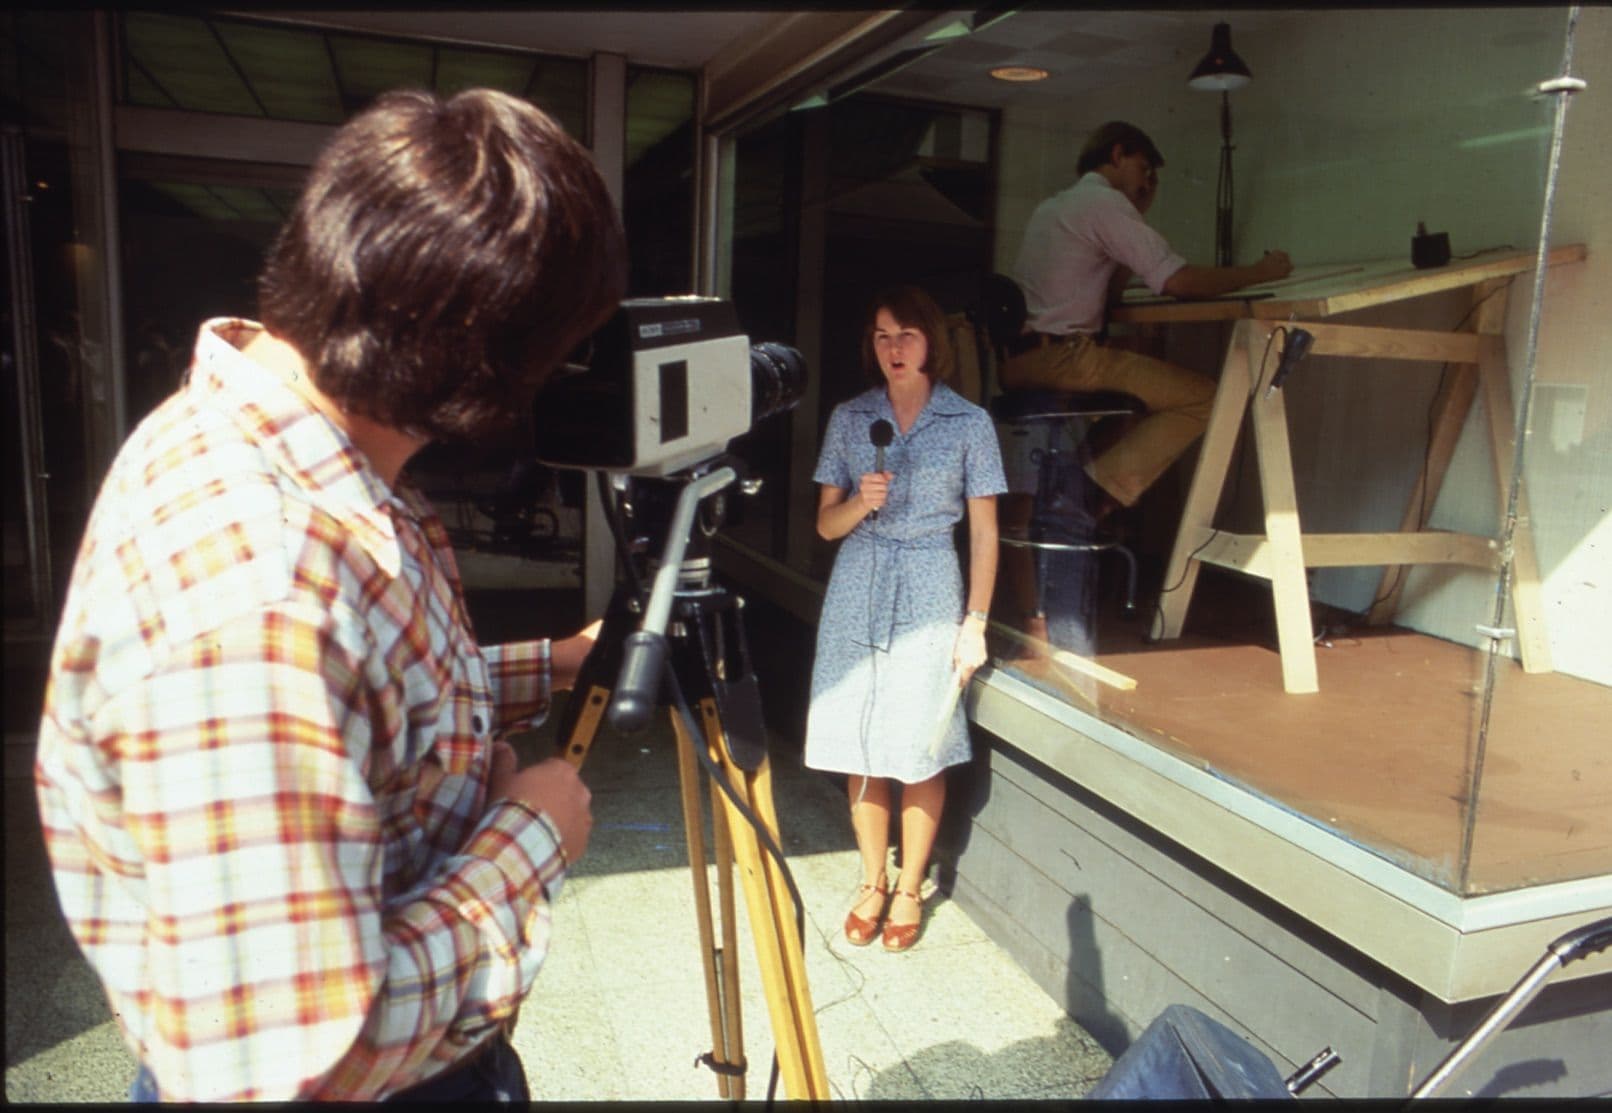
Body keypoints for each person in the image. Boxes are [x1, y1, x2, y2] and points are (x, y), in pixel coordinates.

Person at [33, 88, 627, 1102]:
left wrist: (556, 662)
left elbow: (354, 702)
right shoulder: (255, 596)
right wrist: (532, 837)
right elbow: (288, 1066)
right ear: (483, 372)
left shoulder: (284, 443)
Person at [804, 285, 1006, 953]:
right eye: (882, 334)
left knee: (919, 743)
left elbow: (983, 533)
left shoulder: (969, 422)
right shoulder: (849, 417)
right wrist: (861, 501)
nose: (893, 347)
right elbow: (826, 527)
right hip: (858, 578)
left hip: (928, 581)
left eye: (907, 334)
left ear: (932, 343)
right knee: (862, 740)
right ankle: (871, 878)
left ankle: (911, 884)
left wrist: (974, 621)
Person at [1004, 120, 1294, 519]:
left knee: (1146, 394)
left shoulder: (1054, 206)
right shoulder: (1103, 203)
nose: (1146, 184)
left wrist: (1136, 213)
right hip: (1065, 359)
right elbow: (1179, 281)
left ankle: (1083, 480)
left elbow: (1112, 293)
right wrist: (1261, 272)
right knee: (1206, 397)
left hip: (1021, 360)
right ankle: (1087, 493)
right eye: (1144, 171)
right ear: (1118, 154)